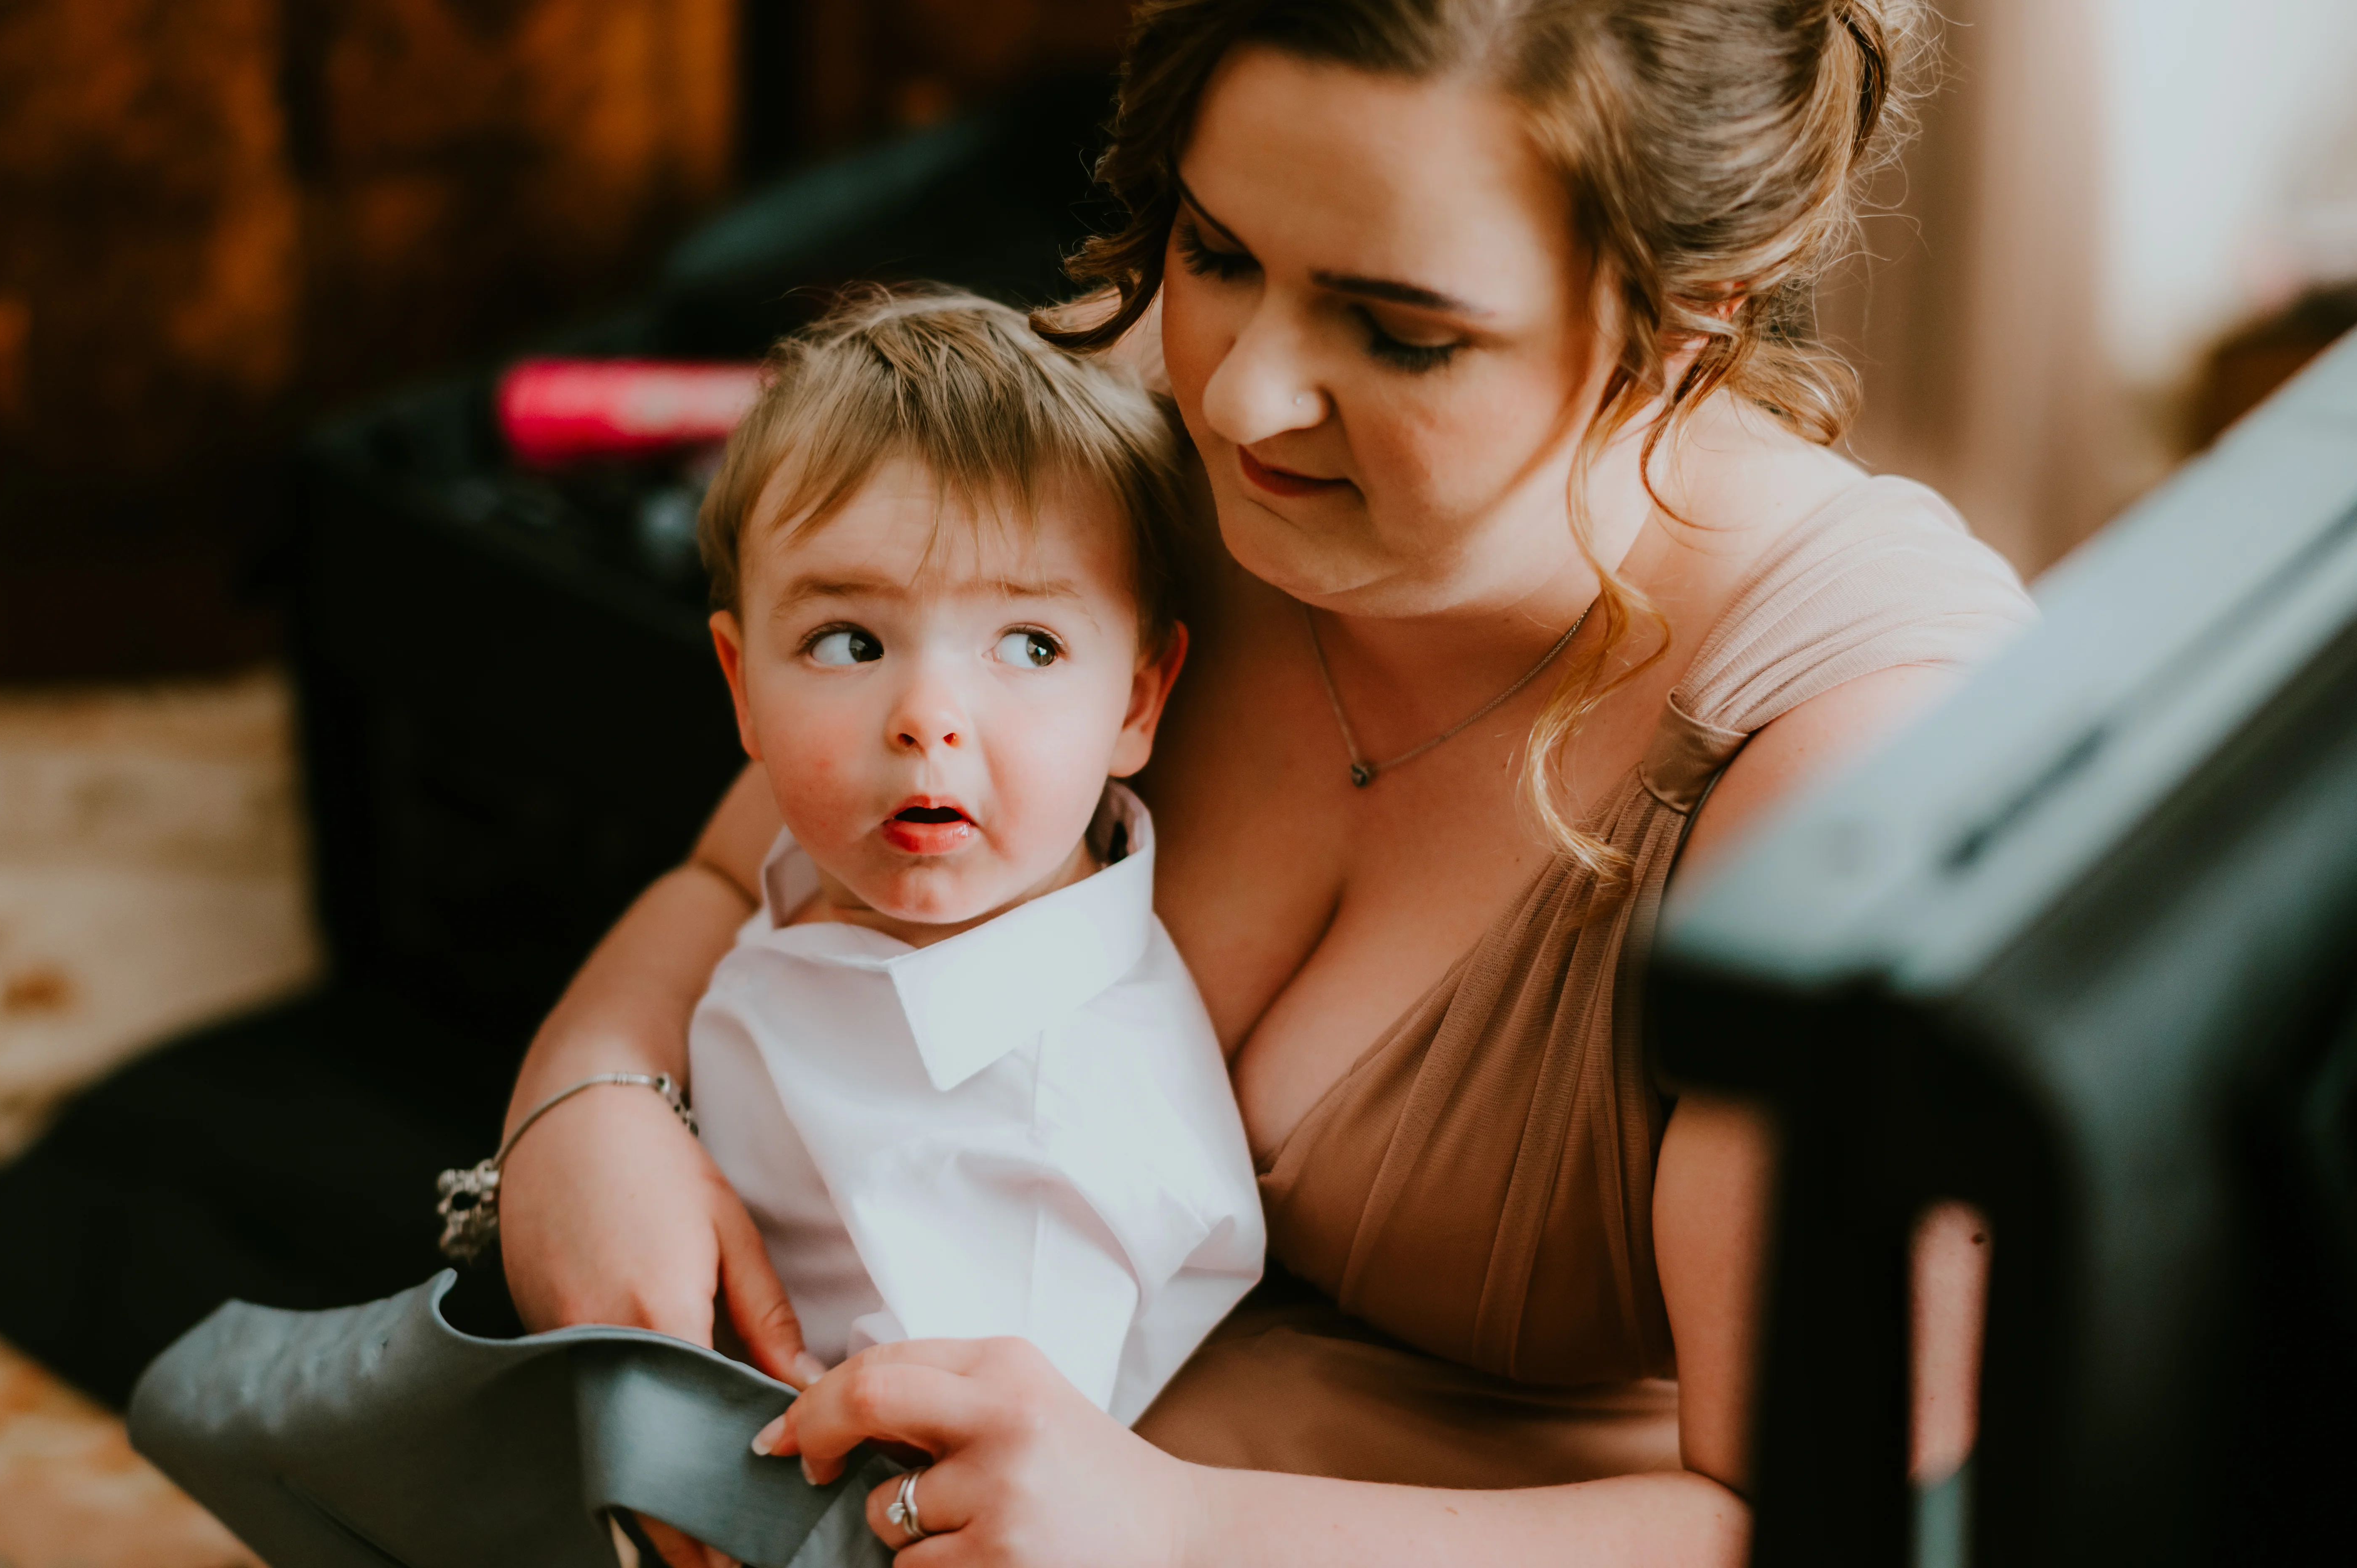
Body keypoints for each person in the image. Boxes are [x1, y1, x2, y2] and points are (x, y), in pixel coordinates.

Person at [498, 2, 2036, 1563]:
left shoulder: (1847, 748)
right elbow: (732, 879)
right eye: (1219, 251)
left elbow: (1832, 1525)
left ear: (1687, 323)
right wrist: (585, 1098)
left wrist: (1178, 1532)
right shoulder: (1131, 417)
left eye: (1399, 331)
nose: (1235, 400)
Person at [681, 289, 1262, 1424]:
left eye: (1028, 645)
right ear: (742, 686)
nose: (928, 718)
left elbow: (955, 1482)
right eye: (850, 642)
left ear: (1138, 702)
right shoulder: (826, 882)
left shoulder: (1046, 1141)